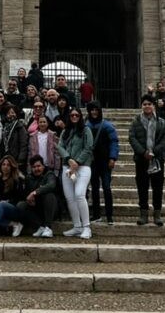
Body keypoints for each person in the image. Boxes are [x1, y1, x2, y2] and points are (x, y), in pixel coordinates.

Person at [129, 95, 165, 226]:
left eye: (149, 104)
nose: (147, 106)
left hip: (157, 159)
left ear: (154, 106)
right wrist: (143, 152)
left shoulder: (161, 122)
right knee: (142, 187)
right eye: (145, 104)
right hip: (141, 159)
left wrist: (155, 151)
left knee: (158, 187)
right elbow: (132, 137)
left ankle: (157, 214)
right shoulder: (136, 121)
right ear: (142, 106)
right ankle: (144, 213)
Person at [56, 107, 94, 239]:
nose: (74, 117)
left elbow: (89, 147)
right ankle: (77, 226)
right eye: (72, 115)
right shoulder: (65, 131)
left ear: (80, 116)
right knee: (70, 198)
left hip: (83, 167)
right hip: (67, 167)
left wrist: (77, 162)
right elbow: (59, 146)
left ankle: (86, 227)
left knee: (79, 194)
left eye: (77, 115)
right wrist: (68, 159)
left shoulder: (85, 130)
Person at [86, 102, 119, 225]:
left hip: (105, 161)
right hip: (92, 162)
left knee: (106, 187)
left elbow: (113, 142)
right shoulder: (87, 125)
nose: (94, 112)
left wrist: (112, 158)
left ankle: (109, 215)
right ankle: (96, 214)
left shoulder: (107, 126)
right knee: (94, 188)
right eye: (92, 110)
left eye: (96, 110)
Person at [18, 155, 58, 237]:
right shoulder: (29, 178)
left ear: (43, 166)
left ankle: (48, 227)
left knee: (49, 195)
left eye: (39, 166)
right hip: (36, 207)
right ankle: (41, 227)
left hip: (51, 207)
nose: (37, 169)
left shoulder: (49, 174)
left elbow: (51, 185)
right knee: (21, 205)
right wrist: (29, 200)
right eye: (34, 167)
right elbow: (25, 194)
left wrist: (35, 192)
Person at [0, 104, 29, 173]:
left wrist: (21, 159)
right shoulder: (3, 126)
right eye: (8, 113)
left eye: (13, 112)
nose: (11, 115)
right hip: (5, 157)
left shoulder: (20, 126)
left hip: (16, 158)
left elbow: (24, 143)